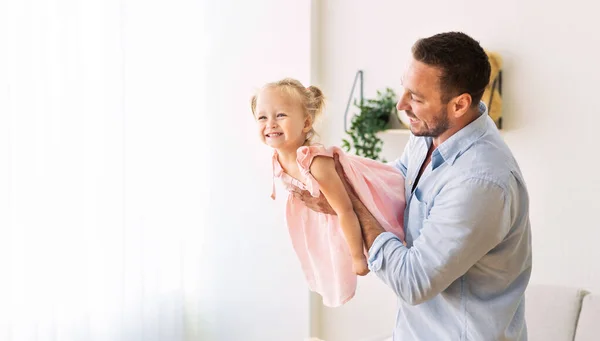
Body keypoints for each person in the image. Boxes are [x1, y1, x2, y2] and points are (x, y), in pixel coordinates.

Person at [293, 32, 532, 340]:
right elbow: (395, 185)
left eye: (416, 98)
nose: (401, 104)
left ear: (460, 105)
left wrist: (348, 206)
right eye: (405, 87)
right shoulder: (430, 135)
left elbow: (413, 281)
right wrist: (337, 173)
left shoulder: (481, 182)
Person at [251, 78, 406, 307]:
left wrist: (358, 257)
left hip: (367, 201)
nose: (270, 124)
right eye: (262, 117)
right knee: (322, 253)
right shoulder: (279, 158)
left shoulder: (315, 163)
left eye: (280, 115)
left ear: (305, 123)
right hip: (323, 215)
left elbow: (346, 210)